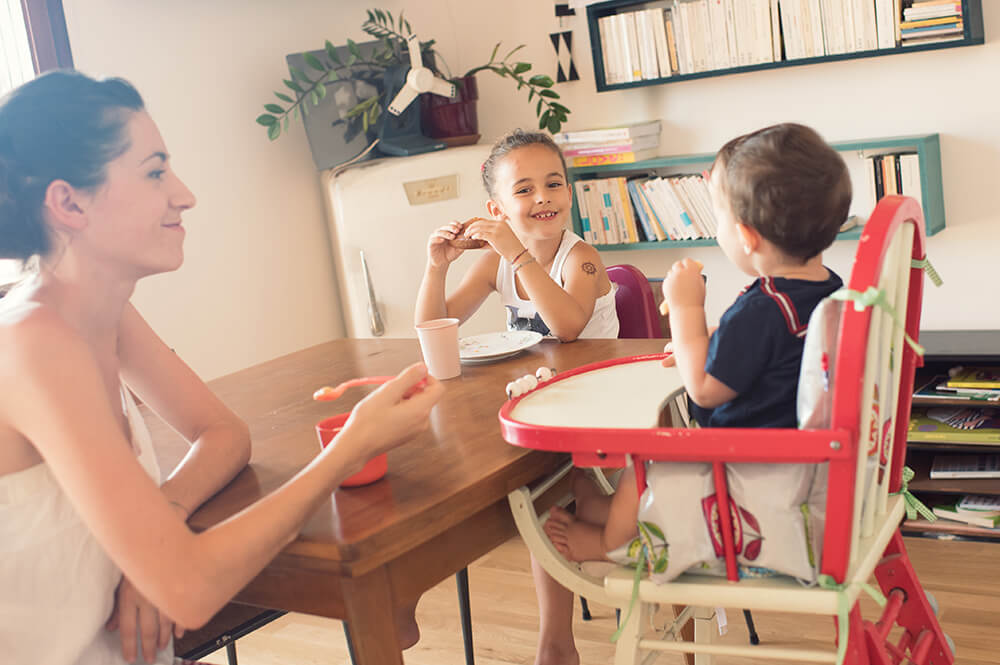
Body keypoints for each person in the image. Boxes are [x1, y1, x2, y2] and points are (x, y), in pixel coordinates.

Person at [0, 70, 443, 665]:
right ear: (69, 202)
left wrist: (157, 536)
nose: (184, 194)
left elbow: (224, 435)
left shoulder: (104, 314)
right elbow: (189, 592)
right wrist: (347, 451)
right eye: (155, 172)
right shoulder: (34, 344)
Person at [538, 123, 851, 665]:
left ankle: (612, 540)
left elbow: (705, 391)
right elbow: (757, 366)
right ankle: (613, 510)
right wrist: (695, 348)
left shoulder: (762, 308)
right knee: (660, 438)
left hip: (742, 472)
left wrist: (684, 310)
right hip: (795, 465)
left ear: (748, 236)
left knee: (650, 444)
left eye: (720, 216)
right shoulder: (827, 289)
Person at [414, 128, 619, 341]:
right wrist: (436, 268)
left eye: (553, 185)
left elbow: (567, 329)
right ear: (497, 210)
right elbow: (432, 330)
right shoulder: (495, 264)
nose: (542, 197)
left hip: (593, 372)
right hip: (533, 374)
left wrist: (518, 256)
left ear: (568, 195)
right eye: (524, 190)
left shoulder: (580, 258)